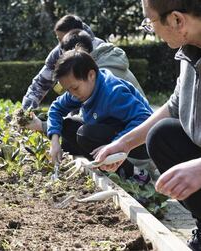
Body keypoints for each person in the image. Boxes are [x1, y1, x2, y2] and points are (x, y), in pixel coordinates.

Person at [94, 1, 201, 249]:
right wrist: (123, 143)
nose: (150, 31)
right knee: (162, 135)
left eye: (149, 22)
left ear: (177, 20)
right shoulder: (190, 50)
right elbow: (175, 105)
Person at [48, 48, 153, 182]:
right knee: (67, 127)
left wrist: (116, 144)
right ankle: (107, 166)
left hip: (139, 140)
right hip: (109, 130)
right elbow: (56, 108)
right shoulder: (79, 90)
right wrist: (54, 141)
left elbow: (144, 120)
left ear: (91, 75)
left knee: (85, 134)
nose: (72, 93)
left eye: (74, 88)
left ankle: (134, 175)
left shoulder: (113, 92)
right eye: (68, 90)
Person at [22, 14, 144, 110]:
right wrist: (26, 110)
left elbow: (93, 98)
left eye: (63, 40)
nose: (61, 47)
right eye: (58, 40)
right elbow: (41, 83)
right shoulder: (60, 51)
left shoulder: (101, 55)